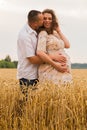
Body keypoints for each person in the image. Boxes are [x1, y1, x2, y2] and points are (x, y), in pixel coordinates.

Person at [36, 9, 72, 84]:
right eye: (44, 18)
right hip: (51, 69)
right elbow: (40, 53)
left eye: (50, 18)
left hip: (62, 70)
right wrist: (56, 65)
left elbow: (67, 45)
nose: (47, 20)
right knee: (53, 93)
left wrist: (59, 31)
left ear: (53, 20)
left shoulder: (55, 33)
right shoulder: (43, 33)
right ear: (41, 20)